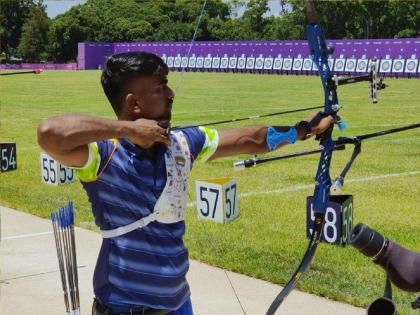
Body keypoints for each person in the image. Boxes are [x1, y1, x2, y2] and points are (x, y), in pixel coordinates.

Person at [37, 51, 335, 315]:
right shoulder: (103, 154)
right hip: (126, 309)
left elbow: (250, 139)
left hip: (179, 304)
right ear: (133, 103)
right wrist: (127, 130)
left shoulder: (183, 142)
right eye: (161, 86)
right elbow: (49, 132)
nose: (171, 93)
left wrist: (304, 129)